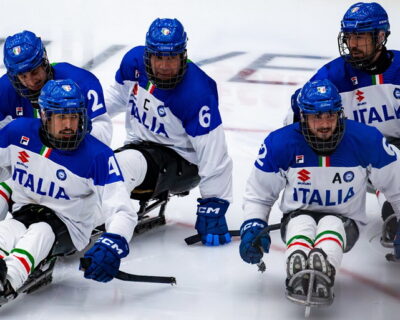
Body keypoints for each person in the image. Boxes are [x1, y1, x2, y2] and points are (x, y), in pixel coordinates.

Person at [240, 79, 400, 305]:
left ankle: (323, 264)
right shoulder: (280, 143)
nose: (325, 124)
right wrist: (253, 224)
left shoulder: (366, 140)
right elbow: (259, 193)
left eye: (330, 116)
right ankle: (299, 260)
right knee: (301, 221)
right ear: (303, 116)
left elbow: (397, 184)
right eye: (317, 117)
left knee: (332, 225)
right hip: (296, 217)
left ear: (340, 114)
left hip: (347, 222)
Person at [0, 79, 136, 301]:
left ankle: (8, 282)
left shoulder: (97, 155)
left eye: (74, 117)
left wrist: (113, 243)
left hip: (69, 225)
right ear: (44, 116)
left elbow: (122, 208)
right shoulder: (17, 133)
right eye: (61, 117)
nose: (69, 125)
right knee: (6, 229)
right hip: (25, 211)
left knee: (41, 232)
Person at [105, 18, 233, 246]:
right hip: (139, 147)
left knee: (115, 169)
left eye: (171, 58)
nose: (165, 66)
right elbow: (117, 96)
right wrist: (81, 119)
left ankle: (112, 231)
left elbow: (213, 154)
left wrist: (214, 203)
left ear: (183, 55)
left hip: (182, 161)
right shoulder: (133, 63)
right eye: (159, 58)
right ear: (148, 56)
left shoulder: (197, 92)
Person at [284, 2, 399, 241]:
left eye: (360, 37)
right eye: (348, 37)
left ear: (380, 37)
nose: (352, 44)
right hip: (358, 157)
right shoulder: (331, 77)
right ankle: (395, 219)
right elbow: (297, 118)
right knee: (378, 152)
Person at [0, 30, 113, 221]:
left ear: (44, 61)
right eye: (22, 76)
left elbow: (104, 133)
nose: (30, 82)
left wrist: (72, 135)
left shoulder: (81, 82)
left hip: (71, 166)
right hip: (27, 167)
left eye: (34, 72)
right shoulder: (4, 90)